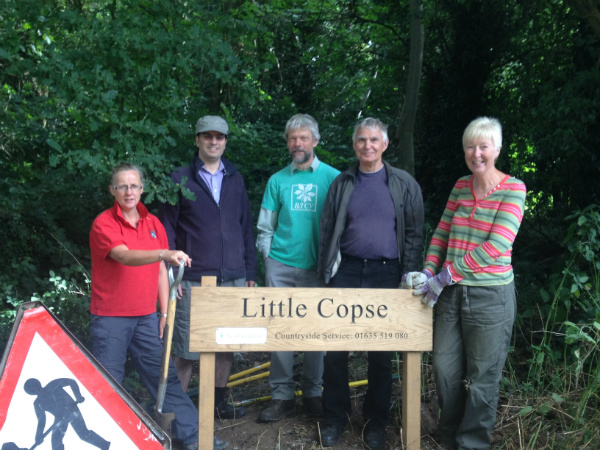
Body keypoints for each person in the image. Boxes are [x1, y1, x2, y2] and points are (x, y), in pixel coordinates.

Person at [405, 117, 526, 450]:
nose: (476, 153)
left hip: (491, 296)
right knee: (444, 370)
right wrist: (430, 272)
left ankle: (472, 443)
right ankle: (448, 437)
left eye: (483, 146)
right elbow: (442, 233)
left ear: (497, 150)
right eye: (470, 146)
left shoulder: (514, 189)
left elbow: (497, 245)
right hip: (450, 293)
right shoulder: (461, 185)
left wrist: (445, 275)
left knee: (482, 379)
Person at [89, 163, 228, 450]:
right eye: (123, 186)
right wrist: (164, 252)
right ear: (112, 190)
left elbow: (162, 272)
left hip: (146, 317)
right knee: (108, 383)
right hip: (110, 319)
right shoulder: (104, 223)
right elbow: (125, 257)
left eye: (134, 185)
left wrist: (163, 312)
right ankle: (107, 442)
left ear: (142, 189)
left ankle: (194, 438)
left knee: (164, 378)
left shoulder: (153, 224)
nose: (129, 191)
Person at [317, 117, 424, 450]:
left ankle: (376, 421)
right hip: (346, 271)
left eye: (374, 140)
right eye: (361, 140)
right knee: (335, 348)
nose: (368, 146)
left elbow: (414, 233)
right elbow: (327, 229)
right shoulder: (342, 183)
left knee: (380, 351)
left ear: (385, 144)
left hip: (387, 274)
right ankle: (335, 416)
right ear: (354, 145)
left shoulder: (404, 183)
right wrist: (327, 273)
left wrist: (408, 274)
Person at [159, 115, 256, 420]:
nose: (214, 142)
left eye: (220, 137)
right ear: (197, 139)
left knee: (226, 345)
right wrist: (172, 275)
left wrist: (250, 272)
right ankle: (178, 412)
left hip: (233, 277)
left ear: (226, 141)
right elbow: (167, 230)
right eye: (208, 136)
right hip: (192, 279)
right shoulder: (179, 178)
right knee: (186, 350)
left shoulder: (235, 177)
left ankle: (217, 402)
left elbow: (245, 228)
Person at [255, 113, 340, 422]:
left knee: (315, 332)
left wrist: (334, 263)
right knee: (280, 331)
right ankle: (282, 396)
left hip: (318, 269)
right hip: (280, 266)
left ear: (315, 141)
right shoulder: (277, 180)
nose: (298, 143)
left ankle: (313, 394)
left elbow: (344, 226)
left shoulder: (333, 177)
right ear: (287, 143)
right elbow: (265, 227)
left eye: (304, 138)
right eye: (292, 138)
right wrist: (269, 261)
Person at [24, 377, 110, 450]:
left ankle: (105, 445)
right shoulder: (37, 403)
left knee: (83, 434)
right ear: (30, 393)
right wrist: (38, 435)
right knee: (56, 441)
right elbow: (41, 420)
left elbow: (71, 382)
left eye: (35, 387)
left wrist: (78, 396)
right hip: (59, 419)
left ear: (38, 384)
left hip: (71, 410)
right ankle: (104, 445)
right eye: (32, 390)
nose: (36, 390)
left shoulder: (52, 385)